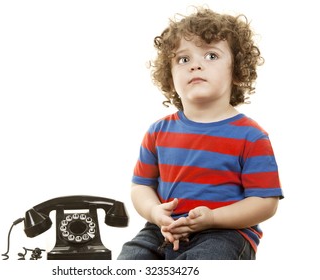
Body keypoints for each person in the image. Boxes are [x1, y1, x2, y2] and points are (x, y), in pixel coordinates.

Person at [117, 7, 283, 260]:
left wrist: (213, 218)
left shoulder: (251, 136)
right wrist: (154, 212)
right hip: (163, 229)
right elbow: (141, 185)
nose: (195, 65)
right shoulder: (157, 131)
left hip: (225, 233)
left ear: (238, 71)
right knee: (129, 260)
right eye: (183, 59)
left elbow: (265, 202)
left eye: (211, 56)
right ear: (170, 76)